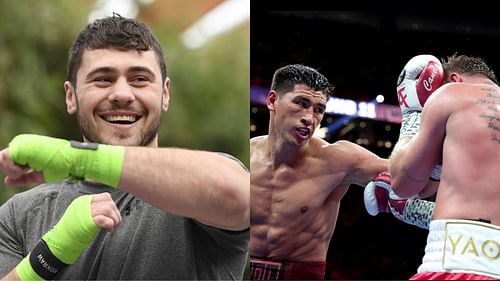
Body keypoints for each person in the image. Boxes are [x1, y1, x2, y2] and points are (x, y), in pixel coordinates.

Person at [0, 14, 250, 281]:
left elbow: (242, 198)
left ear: (165, 94)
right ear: (71, 96)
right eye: (103, 79)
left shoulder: (198, 186)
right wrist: (50, 255)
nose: (122, 94)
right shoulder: (20, 214)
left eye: (140, 79)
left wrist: (77, 160)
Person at [250, 64, 393, 280]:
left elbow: (409, 174)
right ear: (272, 101)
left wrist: (415, 119)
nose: (310, 117)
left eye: (318, 109)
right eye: (301, 103)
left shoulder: (338, 159)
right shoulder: (244, 158)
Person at [390, 53, 500, 280]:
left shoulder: (450, 93)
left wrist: (412, 114)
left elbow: (404, 184)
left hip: (457, 262)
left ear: (454, 78)